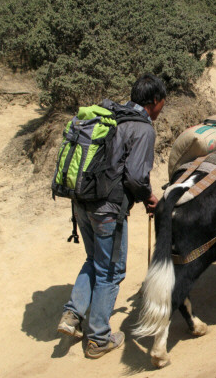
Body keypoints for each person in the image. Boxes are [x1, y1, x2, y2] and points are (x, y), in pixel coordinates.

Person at [57, 74, 166, 359]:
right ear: (154, 101)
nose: (162, 109)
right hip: (107, 209)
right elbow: (136, 177)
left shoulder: (111, 114)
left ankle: (72, 315)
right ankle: (98, 338)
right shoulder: (143, 129)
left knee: (94, 260)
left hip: (81, 202)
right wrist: (149, 199)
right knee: (112, 270)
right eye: (162, 103)